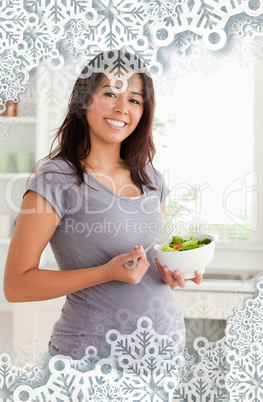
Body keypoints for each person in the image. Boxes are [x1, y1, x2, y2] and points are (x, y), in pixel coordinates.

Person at [4, 50, 202, 360]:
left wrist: (171, 272)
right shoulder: (57, 178)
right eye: (110, 93)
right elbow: (16, 286)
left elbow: (147, 264)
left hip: (161, 359)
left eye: (135, 100)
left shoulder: (152, 178)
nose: (122, 108)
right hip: (90, 362)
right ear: (84, 100)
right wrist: (105, 272)